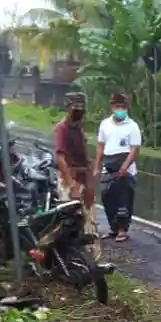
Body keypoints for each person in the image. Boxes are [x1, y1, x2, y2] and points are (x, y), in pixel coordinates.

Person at [92, 92, 142, 243]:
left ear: (127, 108)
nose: (120, 110)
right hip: (109, 163)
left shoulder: (132, 126)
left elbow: (134, 149)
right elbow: (100, 145)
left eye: (123, 107)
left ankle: (122, 230)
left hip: (125, 164)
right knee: (107, 197)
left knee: (123, 199)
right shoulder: (105, 124)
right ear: (112, 107)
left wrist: (124, 167)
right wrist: (97, 166)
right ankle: (113, 227)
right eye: (117, 106)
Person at [53, 92, 98, 258]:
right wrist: (72, 185)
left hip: (83, 178)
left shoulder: (79, 129)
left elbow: (86, 159)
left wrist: (90, 185)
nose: (79, 109)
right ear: (67, 107)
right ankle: (69, 258)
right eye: (75, 106)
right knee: (72, 222)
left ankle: (89, 259)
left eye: (81, 106)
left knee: (89, 222)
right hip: (70, 180)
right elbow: (60, 158)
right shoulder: (62, 128)